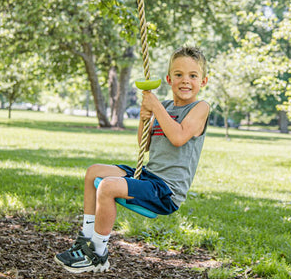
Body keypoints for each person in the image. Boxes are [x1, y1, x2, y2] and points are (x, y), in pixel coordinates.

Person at [54, 46, 210, 273]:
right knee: (94, 172)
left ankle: (97, 253)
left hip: (166, 190)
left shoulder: (200, 108)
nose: (185, 81)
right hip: (148, 176)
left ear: (203, 81)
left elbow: (178, 138)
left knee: (107, 187)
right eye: (179, 75)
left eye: (193, 76)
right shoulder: (165, 107)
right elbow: (144, 144)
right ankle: (84, 239)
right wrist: (145, 116)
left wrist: (154, 106)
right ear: (169, 79)